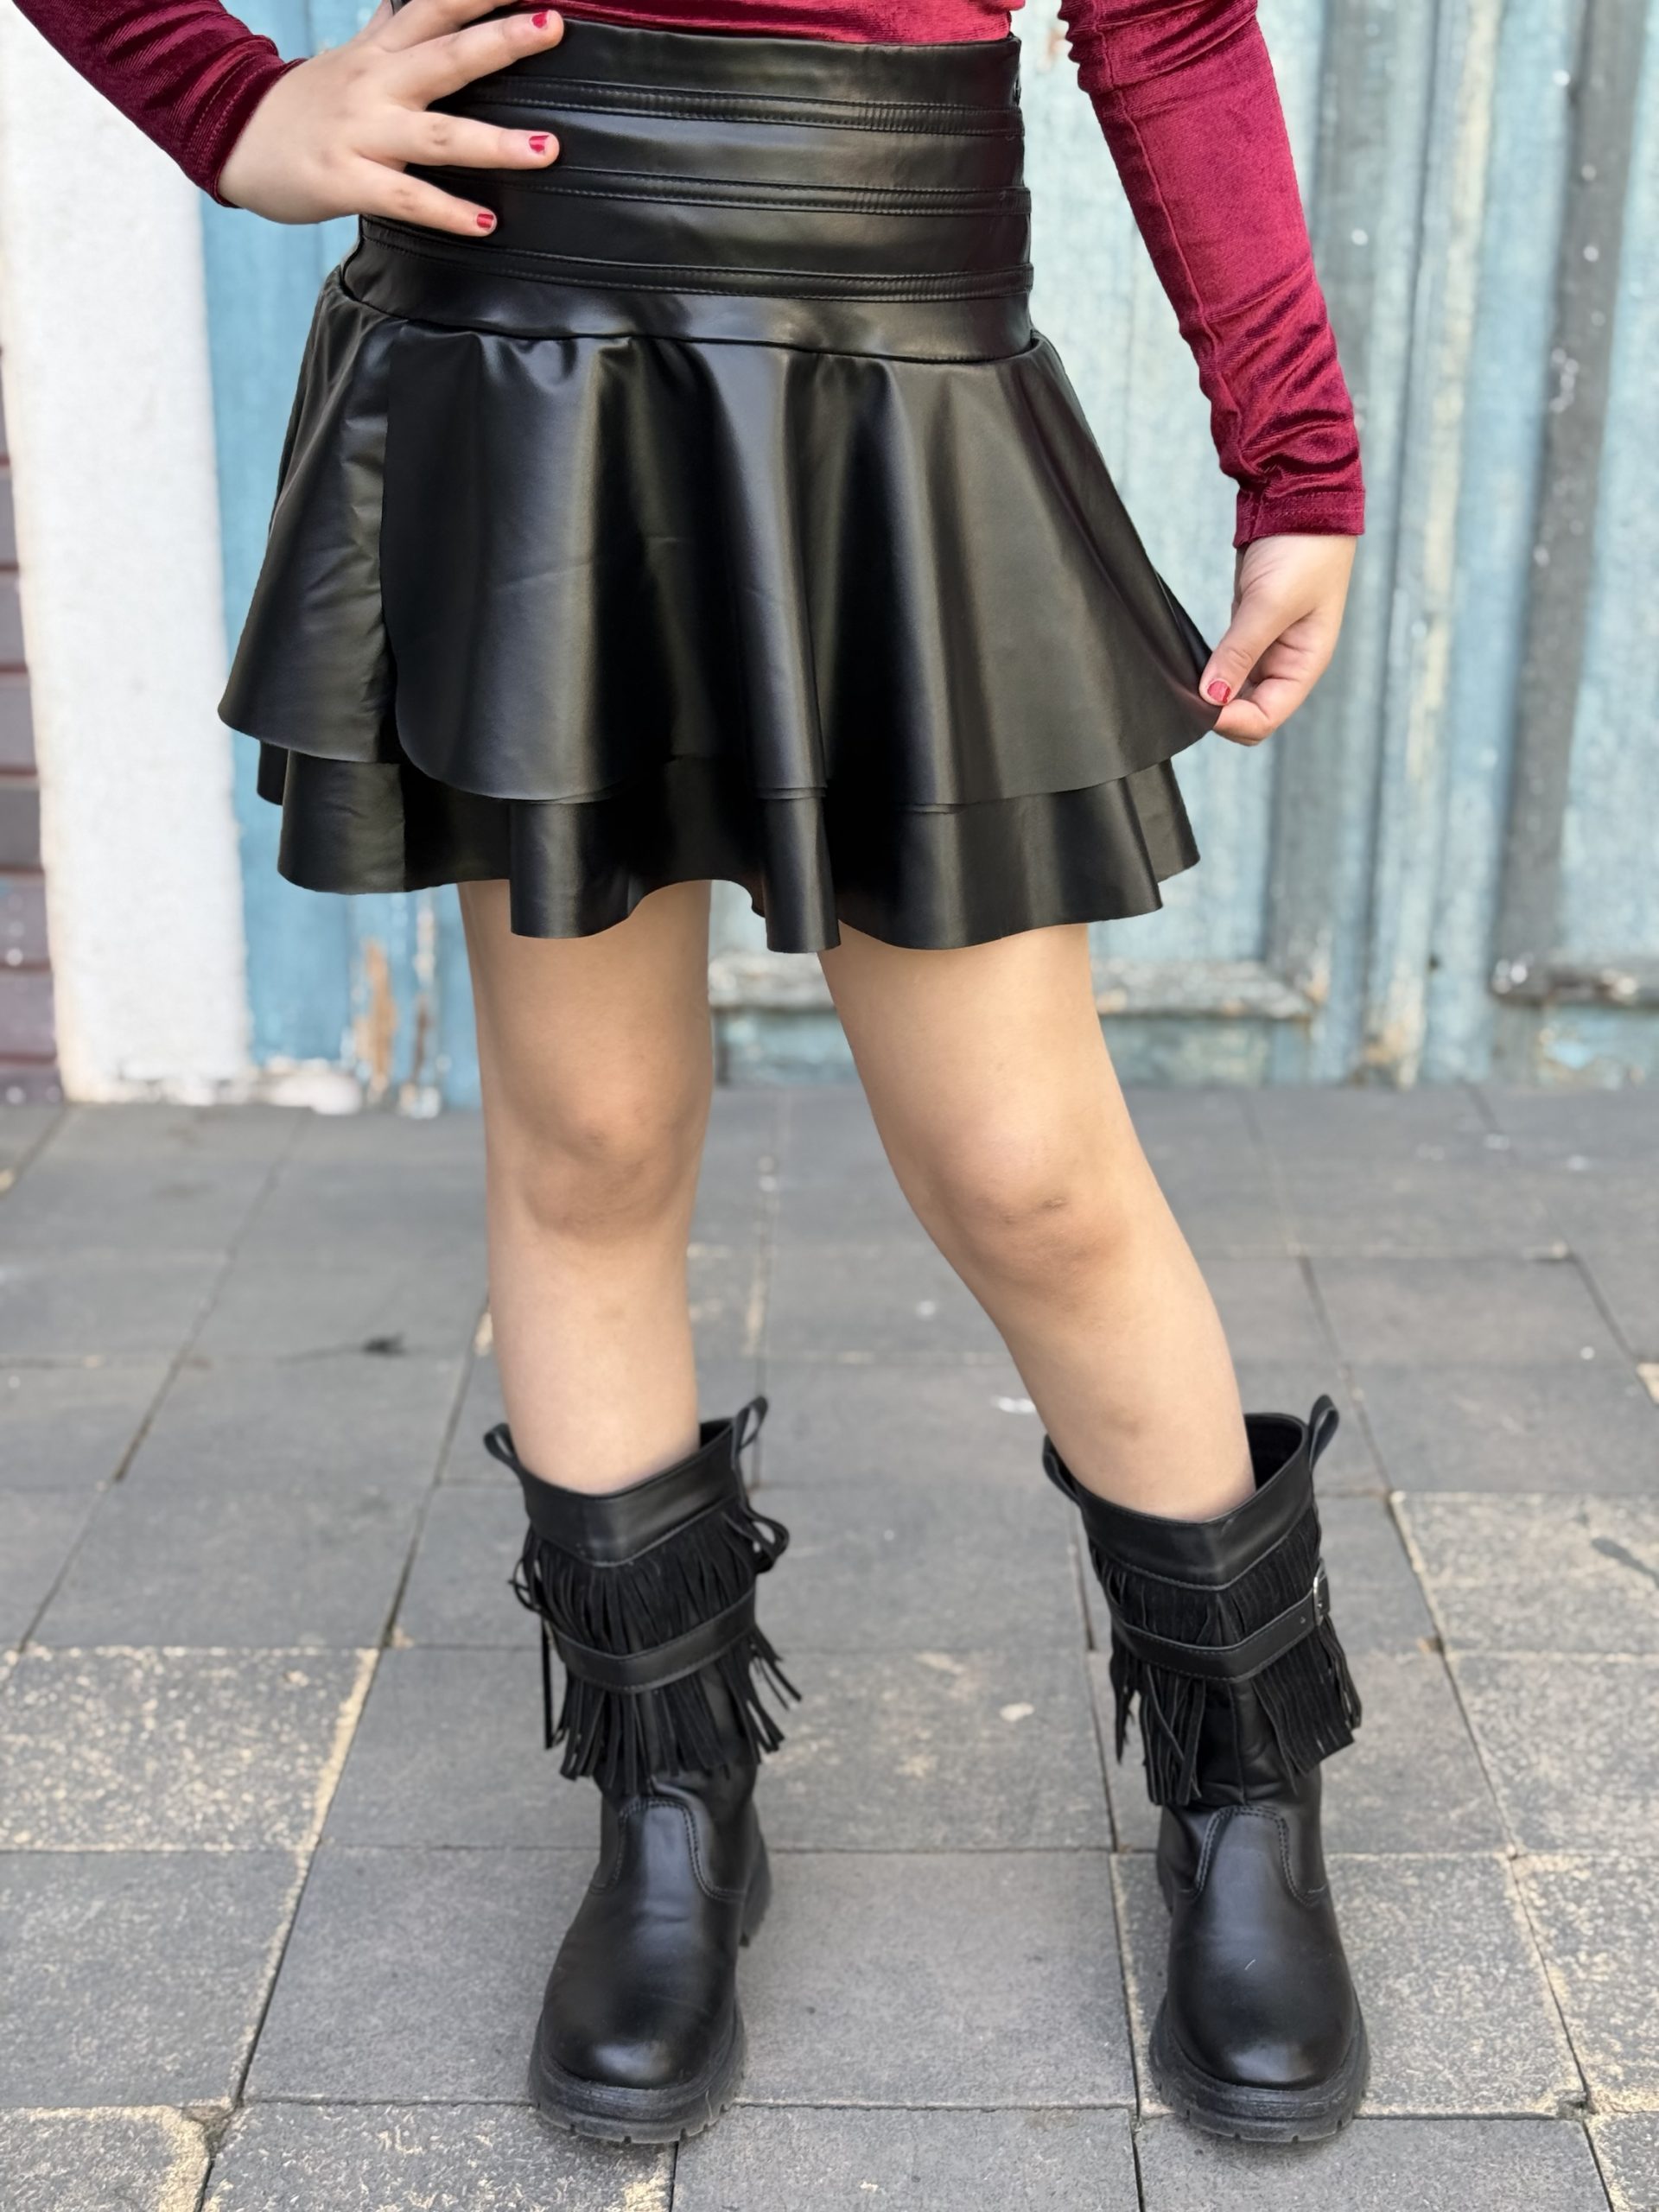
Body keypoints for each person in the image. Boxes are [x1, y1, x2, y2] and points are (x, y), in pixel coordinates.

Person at [22, 0, 1369, 2151]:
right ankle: (672, 1803)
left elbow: (1173, 20)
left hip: (891, 333)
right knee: (590, 1135)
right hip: (530, 328)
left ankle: (1245, 1785)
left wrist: (1294, 453)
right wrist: (221, 100)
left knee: (1025, 1165)